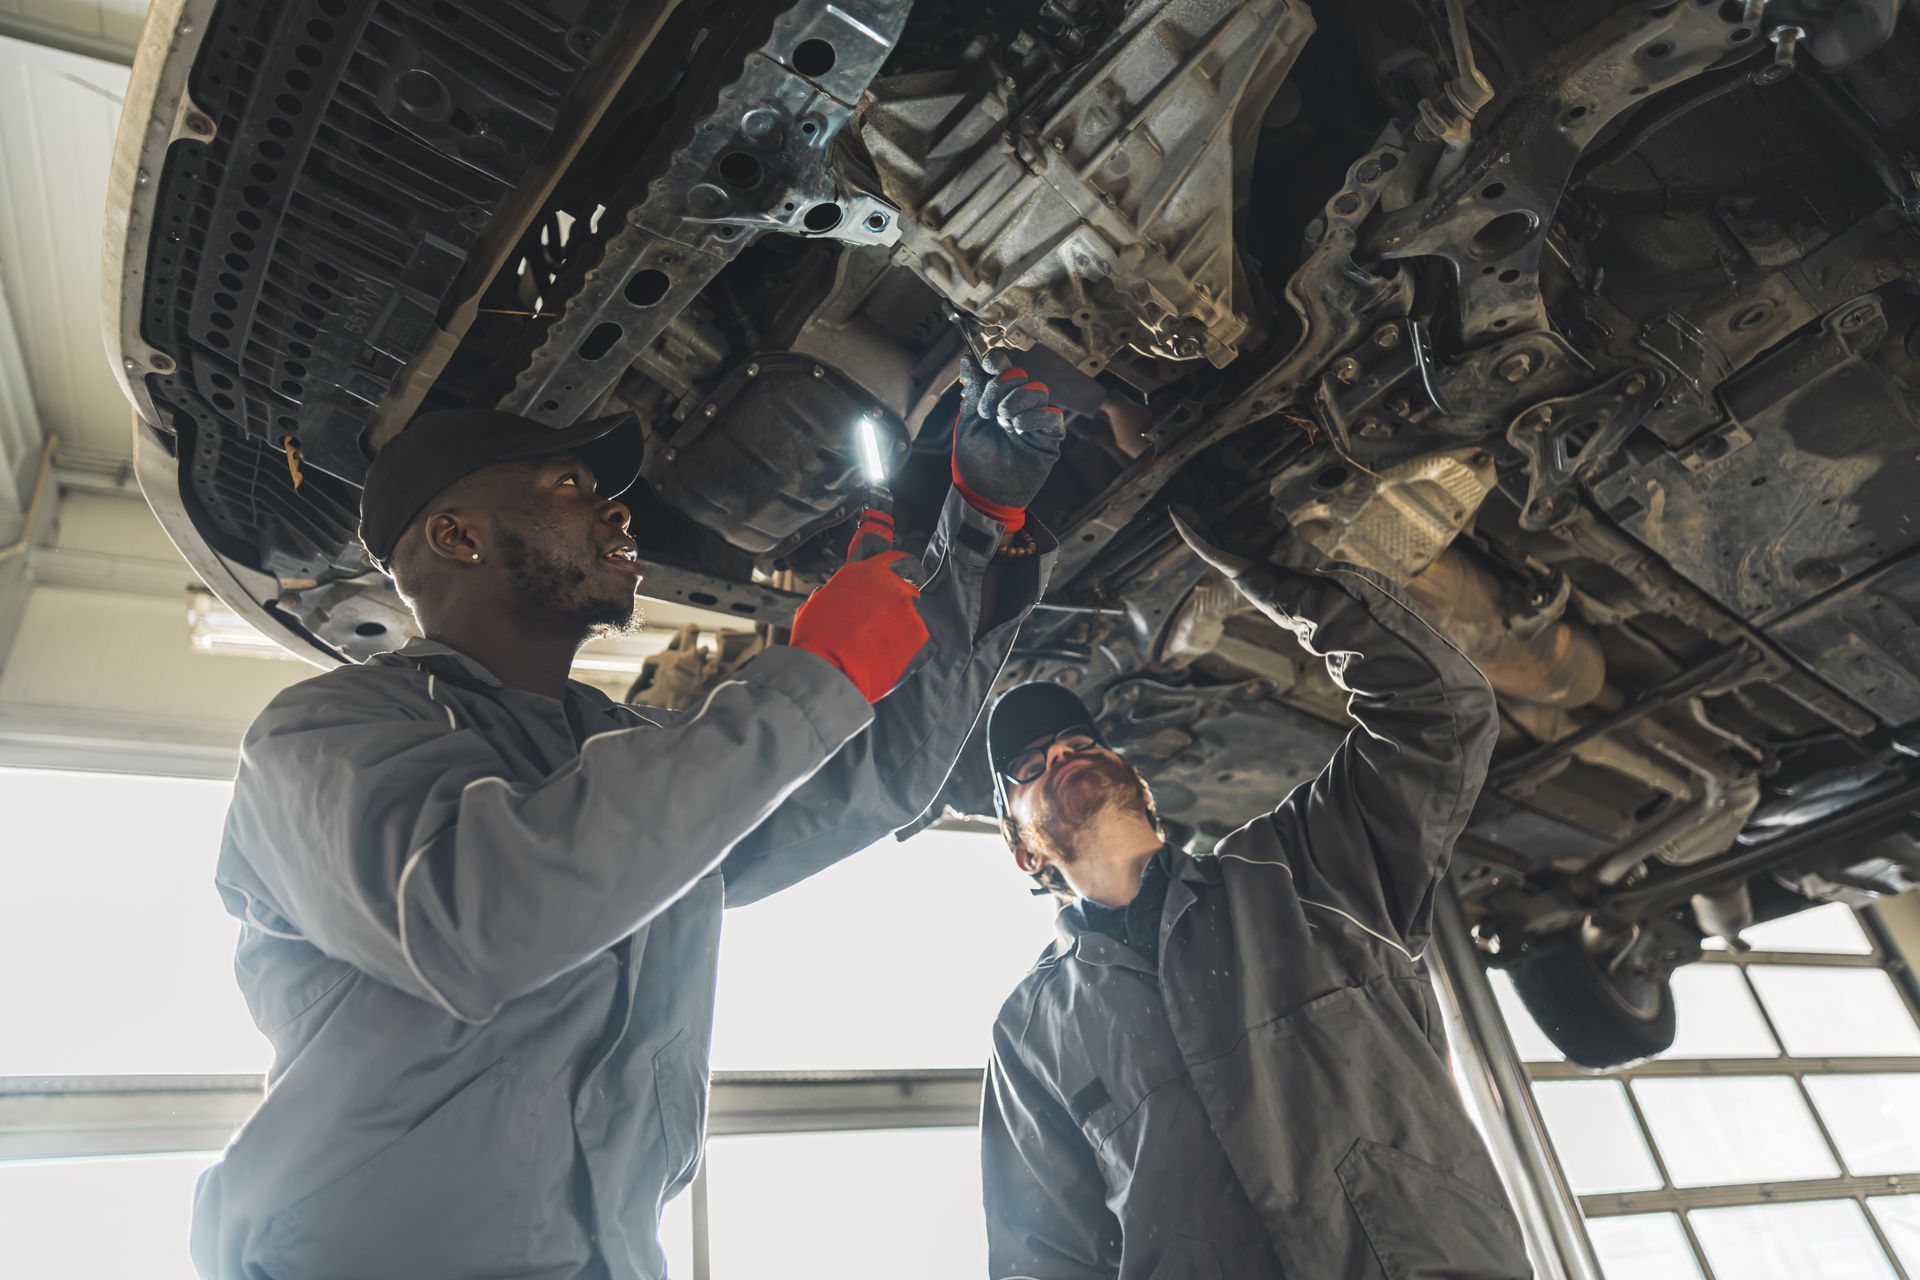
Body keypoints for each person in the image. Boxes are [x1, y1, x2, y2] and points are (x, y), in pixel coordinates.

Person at [190, 355, 1064, 1280]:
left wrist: (979, 526)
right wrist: (816, 674)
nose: (615, 509)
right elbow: (477, 918)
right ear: (457, 536)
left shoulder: (627, 749)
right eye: (569, 485)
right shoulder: (322, 734)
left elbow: (873, 774)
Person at [977, 513, 1532, 1280]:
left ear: (1137, 779)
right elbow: (1045, 1259)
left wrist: (1273, 558)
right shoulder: (1031, 1035)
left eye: (1080, 744)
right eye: (1032, 768)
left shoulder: (1302, 867)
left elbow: (1438, 718)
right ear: (1023, 850)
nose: (1063, 755)